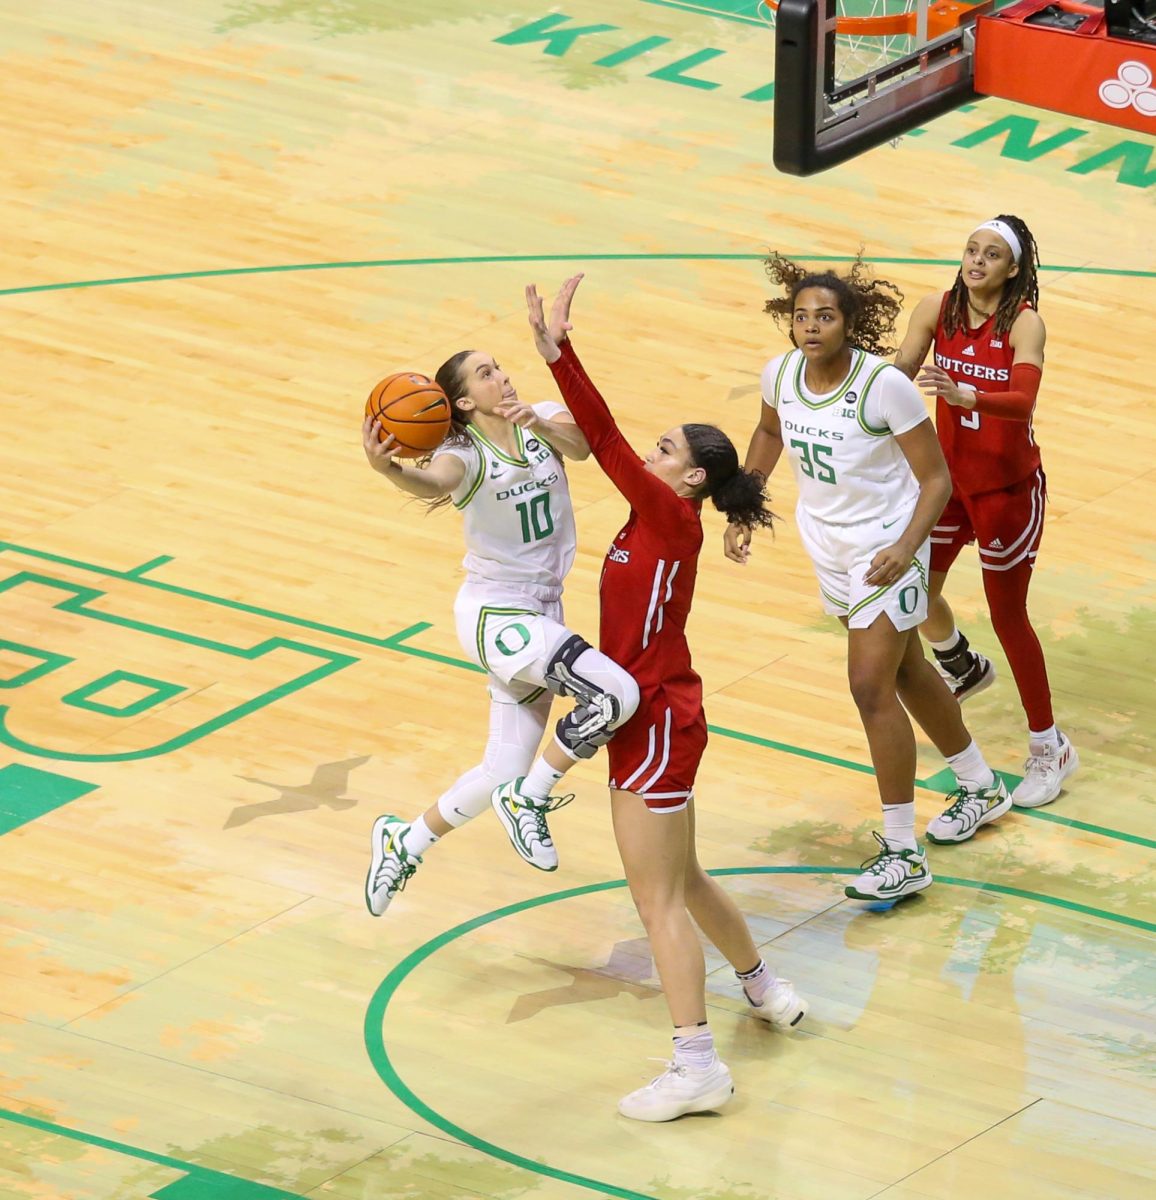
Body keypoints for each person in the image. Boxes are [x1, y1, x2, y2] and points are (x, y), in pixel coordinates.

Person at [496, 275, 808, 1125]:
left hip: (654, 719)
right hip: (656, 717)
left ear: (694, 479)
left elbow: (600, 436)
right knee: (688, 878)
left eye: (667, 448)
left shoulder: (669, 518)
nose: (651, 451)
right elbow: (611, 448)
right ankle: (765, 987)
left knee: (656, 901)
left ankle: (695, 1066)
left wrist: (559, 356)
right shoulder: (654, 520)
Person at [724, 254, 1012, 899]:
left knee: (868, 686)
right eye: (801, 317)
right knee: (908, 671)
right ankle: (979, 784)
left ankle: (903, 853)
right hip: (828, 546)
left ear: (849, 322)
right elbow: (768, 432)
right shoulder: (781, 375)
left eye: (825, 316)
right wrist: (747, 504)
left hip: (887, 546)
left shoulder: (884, 385)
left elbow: (937, 479)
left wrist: (910, 549)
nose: (811, 327)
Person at [361, 339, 641, 916]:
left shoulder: (541, 418)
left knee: (501, 769)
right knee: (617, 693)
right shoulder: (465, 455)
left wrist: (538, 417)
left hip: (543, 611)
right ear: (463, 403)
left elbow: (585, 447)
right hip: (497, 615)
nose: (503, 378)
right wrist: (389, 469)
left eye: (499, 367)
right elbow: (434, 482)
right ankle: (531, 800)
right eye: (486, 375)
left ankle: (403, 841)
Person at [894, 215, 1077, 809]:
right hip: (947, 484)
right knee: (913, 591)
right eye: (972, 250)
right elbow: (900, 372)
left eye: (992, 254)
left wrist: (968, 395)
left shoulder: (1025, 323)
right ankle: (962, 664)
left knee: (1009, 616)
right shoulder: (936, 308)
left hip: (1007, 491)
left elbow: (1023, 400)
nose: (977, 261)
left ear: (1013, 267)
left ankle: (1050, 748)